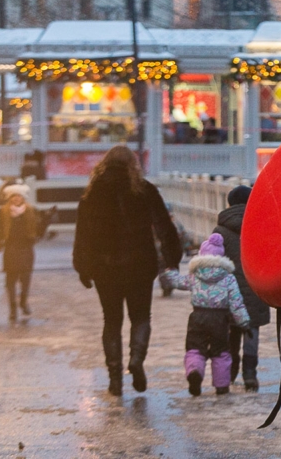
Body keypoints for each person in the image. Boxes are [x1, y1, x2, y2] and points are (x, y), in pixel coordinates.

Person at [73, 146, 182, 397]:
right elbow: (164, 226)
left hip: (104, 267)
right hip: (140, 265)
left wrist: (83, 267)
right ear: (132, 164)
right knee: (141, 317)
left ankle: (114, 378)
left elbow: (83, 235)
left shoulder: (92, 194)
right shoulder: (144, 190)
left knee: (111, 321)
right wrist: (171, 258)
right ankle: (136, 361)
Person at [160, 233, 250, 397]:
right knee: (221, 352)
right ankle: (222, 386)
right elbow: (236, 302)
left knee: (195, 349)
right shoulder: (228, 278)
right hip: (220, 320)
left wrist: (168, 274)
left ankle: (195, 372)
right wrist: (244, 321)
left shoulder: (195, 276)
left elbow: (179, 281)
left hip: (198, 317)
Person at [213, 184, 270, 391]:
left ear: (229, 204)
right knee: (251, 332)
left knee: (231, 331)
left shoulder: (219, 230)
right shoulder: (260, 225)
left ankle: (230, 372)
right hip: (255, 288)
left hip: (229, 291)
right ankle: (250, 374)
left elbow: (213, 262)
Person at [0, 184, 42, 321]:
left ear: (23, 197)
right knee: (10, 279)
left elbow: (39, 227)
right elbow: (0, 228)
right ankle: (13, 308)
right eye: (13, 196)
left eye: (19, 196)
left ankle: (23, 301)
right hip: (11, 247)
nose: (16, 199)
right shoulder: (3, 212)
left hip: (26, 247)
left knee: (25, 278)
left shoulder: (31, 210)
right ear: (9, 198)